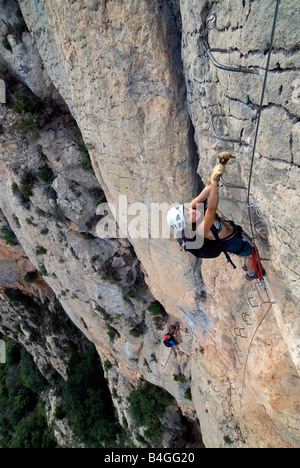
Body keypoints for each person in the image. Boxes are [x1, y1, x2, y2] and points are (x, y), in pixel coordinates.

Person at [166, 152, 264, 281]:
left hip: (234, 233)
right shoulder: (199, 230)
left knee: (247, 252)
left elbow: (207, 187)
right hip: (232, 241)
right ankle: (252, 273)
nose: (192, 211)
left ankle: (247, 263)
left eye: (187, 210)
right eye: (188, 215)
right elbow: (211, 209)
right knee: (253, 254)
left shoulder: (192, 208)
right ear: (187, 224)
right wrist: (215, 184)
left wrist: (219, 165)